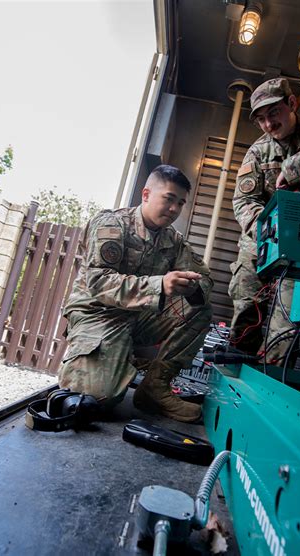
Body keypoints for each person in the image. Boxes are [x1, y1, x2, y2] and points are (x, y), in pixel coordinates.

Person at [58, 165, 213, 423]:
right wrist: (159, 286)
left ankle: (154, 388)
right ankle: (100, 362)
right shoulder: (112, 224)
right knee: (98, 401)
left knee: (199, 308)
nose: (174, 209)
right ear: (145, 194)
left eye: (181, 203)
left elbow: (205, 279)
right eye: (169, 199)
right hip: (98, 315)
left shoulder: (172, 240)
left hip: (139, 317)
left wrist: (193, 285)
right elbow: (98, 281)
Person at [229, 78, 300, 362]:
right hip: (265, 235)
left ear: (292, 104)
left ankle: (272, 370)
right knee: (246, 297)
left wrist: (295, 166)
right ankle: (237, 360)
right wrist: (267, 229)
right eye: (261, 120)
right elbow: (243, 201)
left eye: (273, 114)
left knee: (287, 316)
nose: (268, 125)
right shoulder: (257, 152)